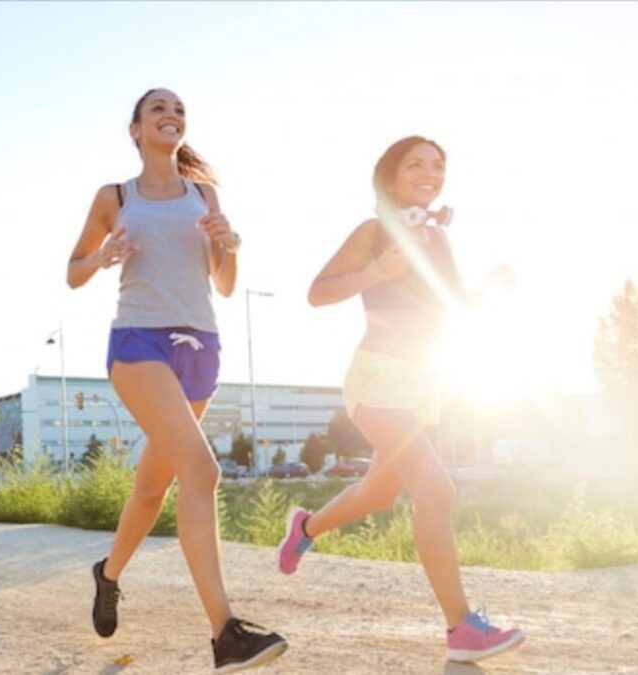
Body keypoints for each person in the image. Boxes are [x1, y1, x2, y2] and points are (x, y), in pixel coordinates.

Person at [67, 88, 288, 673]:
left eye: (179, 111)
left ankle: (108, 574)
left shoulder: (204, 194)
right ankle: (226, 633)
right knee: (203, 470)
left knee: (151, 488)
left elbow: (224, 283)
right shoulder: (115, 196)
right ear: (135, 129)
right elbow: (72, 271)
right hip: (140, 341)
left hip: (201, 347)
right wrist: (103, 257)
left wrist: (229, 245)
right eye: (158, 109)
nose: (171, 116)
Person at [280, 135, 523, 663]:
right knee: (436, 491)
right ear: (390, 177)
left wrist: (491, 287)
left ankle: (306, 526)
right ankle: (463, 629)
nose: (430, 171)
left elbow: (456, 307)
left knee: (381, 493)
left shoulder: (437, 238)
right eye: (416, 163)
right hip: (377, 379)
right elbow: (318, 292)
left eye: (438, 165)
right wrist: (378, 272)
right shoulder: (375, 231)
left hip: (421, 385)